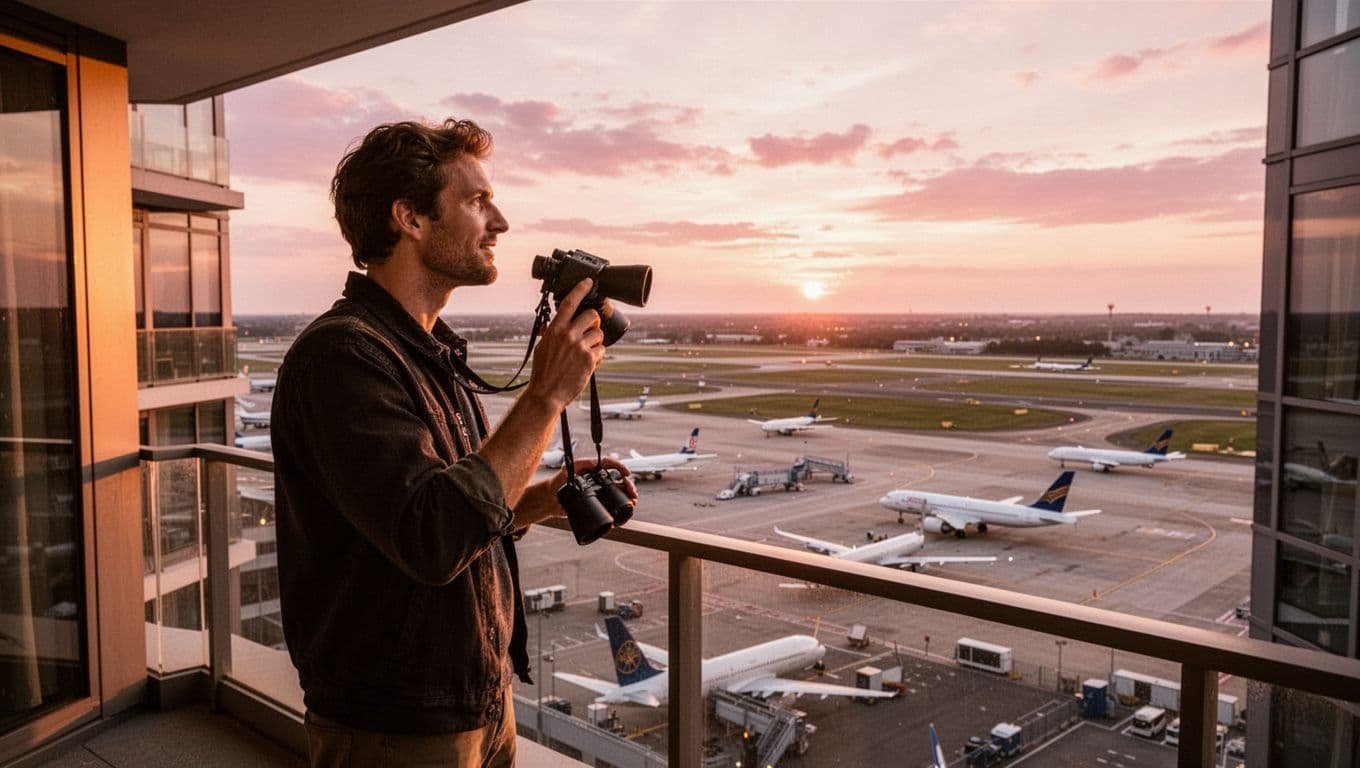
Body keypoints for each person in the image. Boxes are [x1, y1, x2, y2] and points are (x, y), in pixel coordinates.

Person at [271, 118, 635, 767]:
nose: (498, 221)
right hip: (397, 721)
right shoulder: (342, 359)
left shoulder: (426, 354)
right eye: (476, 201)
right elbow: (431, 536)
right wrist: (546, 397)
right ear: (409, 217)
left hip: (473, 699)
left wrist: (534, 503)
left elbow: (438, 516)